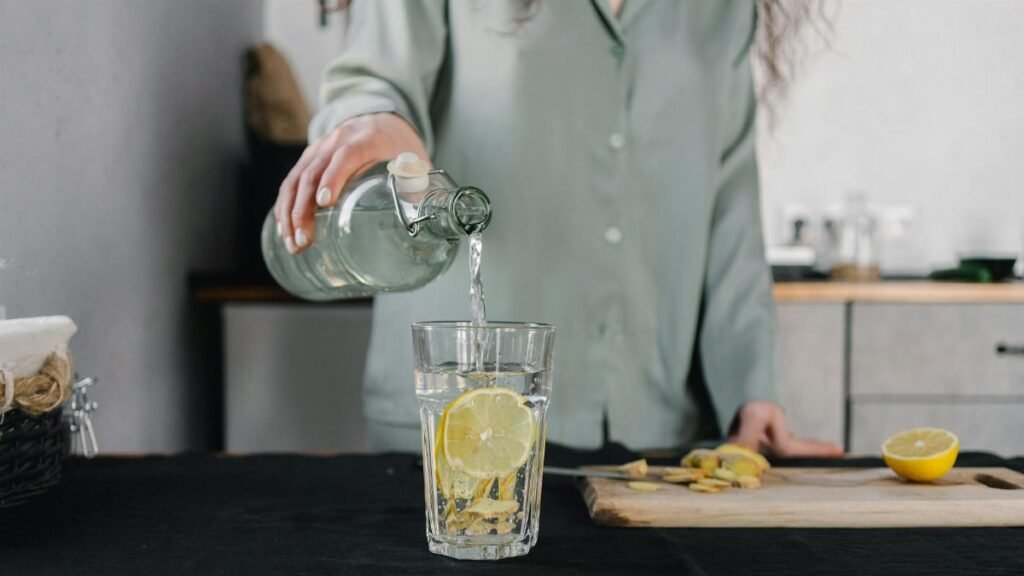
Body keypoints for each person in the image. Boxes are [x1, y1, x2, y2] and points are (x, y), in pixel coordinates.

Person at [273, 0, 843, 458]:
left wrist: (753, 387)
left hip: (657, 433)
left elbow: (730, 216)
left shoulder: (723, 10)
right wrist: (379, 124)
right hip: (459, 425)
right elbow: (375, 79)